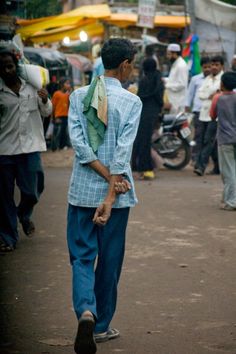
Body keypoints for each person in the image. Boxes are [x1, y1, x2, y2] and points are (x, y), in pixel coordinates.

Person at [67, 38, 142, 354]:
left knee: (82, 257)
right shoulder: (130, 102)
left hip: (82, 193)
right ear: (125, 64)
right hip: (117, 197)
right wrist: (111, 193)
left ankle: (86, 310)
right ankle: (100, 327)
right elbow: (122, 156)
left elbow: (81, 147)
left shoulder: (78, 96)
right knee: (109, 262)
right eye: (132, 64)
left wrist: (105, 176)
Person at [0, 49, 52, 252]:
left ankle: (24, 214)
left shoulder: (32, 87)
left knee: (32, 191)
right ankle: (8, 237)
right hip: (4, 150)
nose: (7, 70)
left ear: (17, 65)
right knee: (4, 197)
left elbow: (46, 111)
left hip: (30, 148)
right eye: (2, 67)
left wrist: (46, 99)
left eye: (10, 65)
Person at [132, 58, 164, 180]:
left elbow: (140, 97)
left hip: (144, 113)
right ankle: (144, 168)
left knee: (142, 141)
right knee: (145, 141)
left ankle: (144, 169)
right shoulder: (158, 79)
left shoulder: (144, 81)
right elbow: (160, 98)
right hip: (154, 113)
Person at [194, 55, 224, 176]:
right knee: (207, 141)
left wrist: (212, 94)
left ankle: (201, 166)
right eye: (212, 65)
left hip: (216, 115)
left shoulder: (223, 78)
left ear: (222, 66)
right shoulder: (208, 78)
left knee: (208, 140)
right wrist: (212, 93)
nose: (213, 67)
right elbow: (200, 94)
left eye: (217, 65)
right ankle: (217, 167)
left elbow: (219, 94)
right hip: (203, 114)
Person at [210, 71, 236, 210]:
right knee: (233, 169)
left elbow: (212, 115)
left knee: (228, 171)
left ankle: (231, 201)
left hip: (225, 138)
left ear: (222, 84)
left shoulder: (217, 98)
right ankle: (227, 198)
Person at [185, 57, 211, 162]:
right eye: (205, 67)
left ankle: (205, 158)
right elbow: (190, 93)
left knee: (208, 136)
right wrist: (187, 106)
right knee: (198, 135)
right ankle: (195, 157)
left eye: (209, 67)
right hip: (198, 110)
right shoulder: (196, 79)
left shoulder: (214, 80)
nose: (207, 69)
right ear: (202, 67)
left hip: (210, 111)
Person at [165, 43, 189, 114]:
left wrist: (167, 85)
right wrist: (165, 80)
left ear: (175, 54)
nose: (167, 56)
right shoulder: (175, 64)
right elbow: (174, 79)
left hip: (178, 102)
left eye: (169, 54)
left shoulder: (181, 65)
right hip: (172, 100)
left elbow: (181, 84)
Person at [51, 77, 71, 151]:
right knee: (57, 133)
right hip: (58, 116)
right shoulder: (56, 94)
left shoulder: (67, 95)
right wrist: (53, 118)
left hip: (66, 116)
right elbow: (53, 106)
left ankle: (62, 146)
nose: (69, 85)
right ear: (62, 85)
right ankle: (54, 147)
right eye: (67, 83)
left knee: (64, 132)